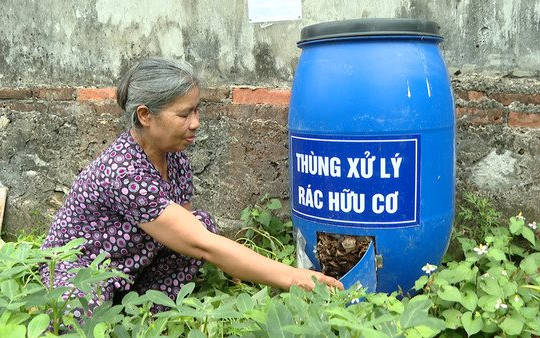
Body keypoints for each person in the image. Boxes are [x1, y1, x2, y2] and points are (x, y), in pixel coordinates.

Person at [40, 57, 343, 319]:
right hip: (84, 267)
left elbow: (189, 232)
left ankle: (146, 309)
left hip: (129, 261)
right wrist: (293, 277)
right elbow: (200, 244)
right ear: (145, 115)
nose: (196, 122)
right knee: (79, 307)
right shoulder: (124, 171)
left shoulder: (175, 159)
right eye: (184, 114)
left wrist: (239, 266)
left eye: (197, 110)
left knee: (202, 224)